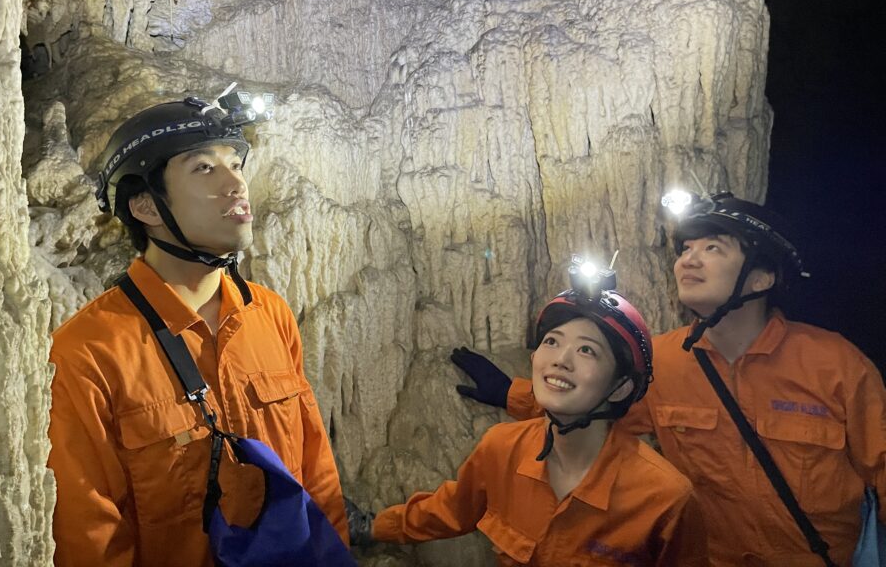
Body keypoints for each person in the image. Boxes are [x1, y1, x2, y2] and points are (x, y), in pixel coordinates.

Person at [454, 191, 886, 566]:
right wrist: (509, 393)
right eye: (685, 250)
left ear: (762, 276)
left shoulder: (835, 366)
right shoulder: (663, 361)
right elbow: (594, 405)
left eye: (713, 248)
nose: (688, 260)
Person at [47, 93, 348, 567]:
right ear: (145, 205)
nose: (236, 185)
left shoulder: (271, 315)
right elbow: (91, 536)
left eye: (235, 164)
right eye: (204, 169)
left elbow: (316, 474)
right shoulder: (87, 353)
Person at [352, 263, 708, 566]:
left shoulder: (663, 498)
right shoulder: (502, 449)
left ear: (621, 387)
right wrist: (372, 528)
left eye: (587, 350)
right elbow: (448, 511)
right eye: (552, 341)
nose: (560, 359)